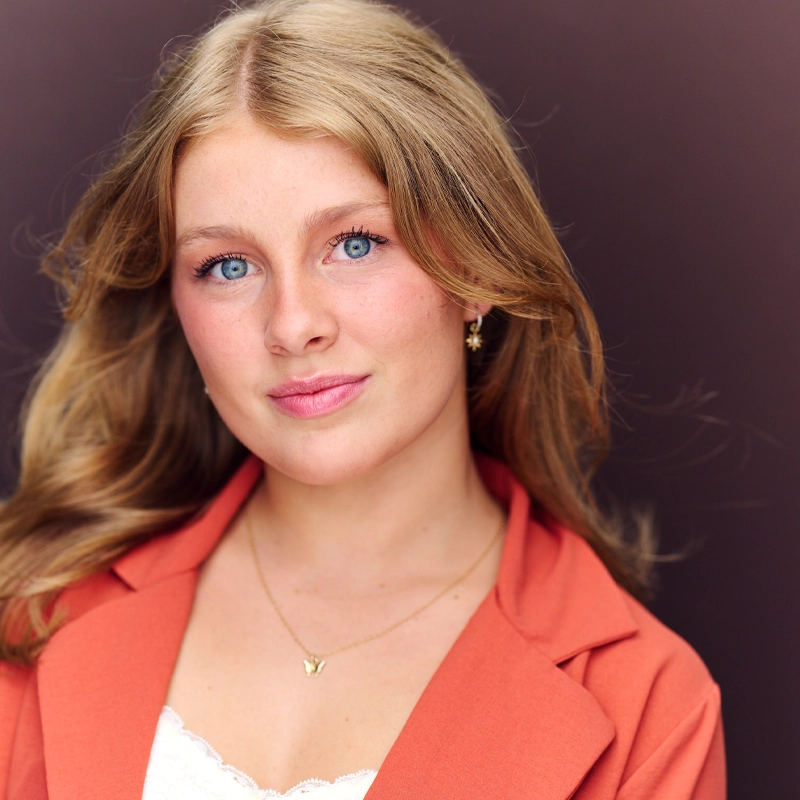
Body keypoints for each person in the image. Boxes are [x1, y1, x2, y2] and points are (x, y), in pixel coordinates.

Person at [0, 0, 725, 797]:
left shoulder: (647, 706)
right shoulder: (34, 613)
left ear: (476, 272)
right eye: (229, 266)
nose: (293, 325)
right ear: (176, 305)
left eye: (355, 244)